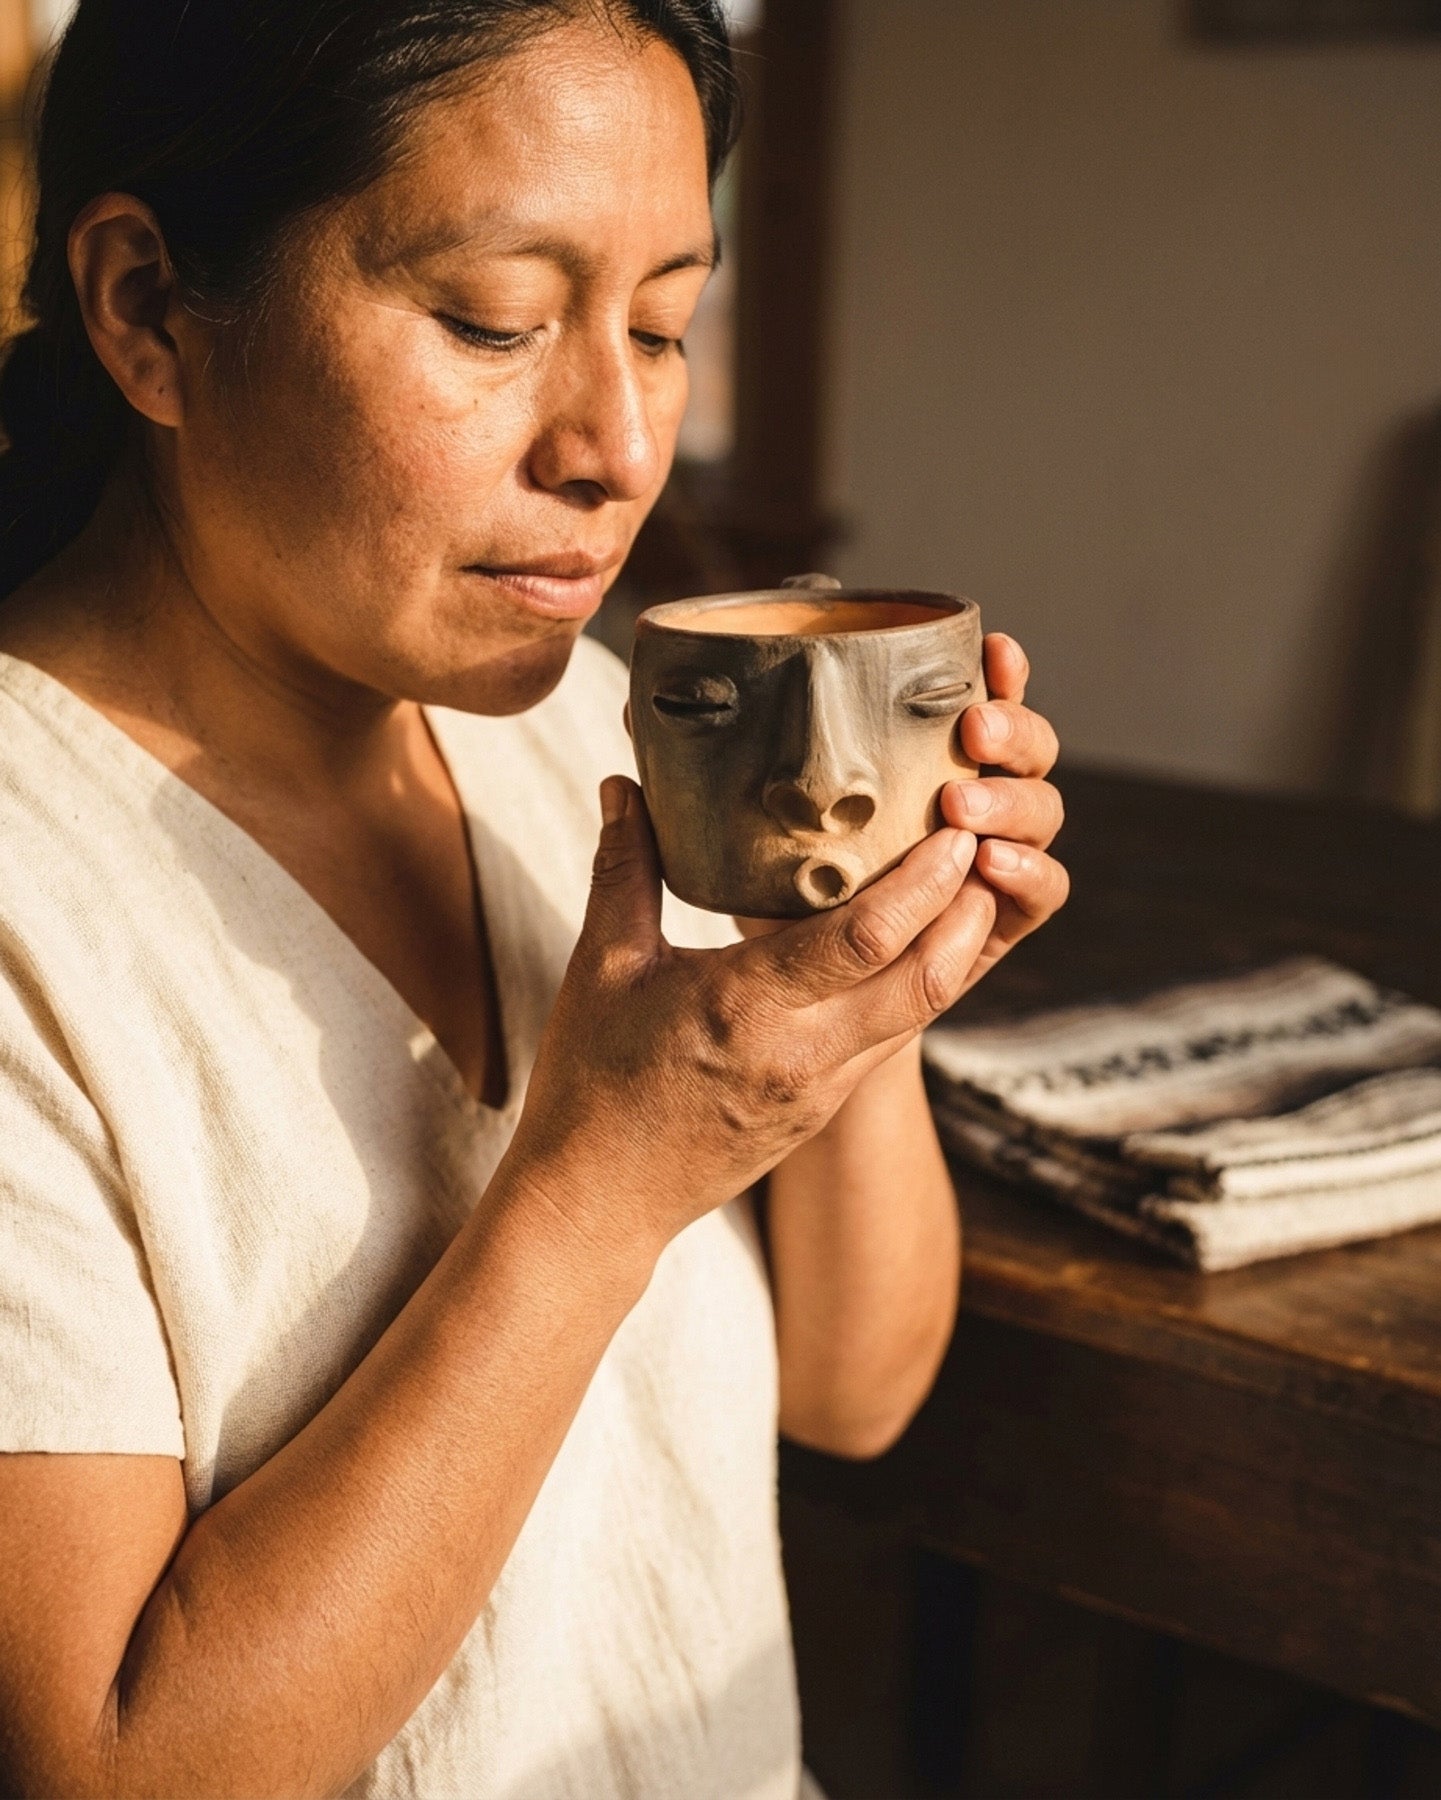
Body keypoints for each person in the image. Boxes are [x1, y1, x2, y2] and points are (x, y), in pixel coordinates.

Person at [0, 2, 1067, 1796]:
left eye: (659, 326)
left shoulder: (586, 734)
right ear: (146, 309)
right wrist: (603, 1180)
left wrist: (853, 965)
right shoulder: (44, 887)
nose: (617, 445)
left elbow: (856, 1388)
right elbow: (112, 1766)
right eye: (494, 320)